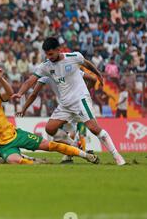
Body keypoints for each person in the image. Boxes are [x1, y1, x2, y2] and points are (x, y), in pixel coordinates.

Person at [0, 66, 99, 165]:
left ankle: (86, 155)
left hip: (16, 135)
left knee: (50, 146)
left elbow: (10, 93)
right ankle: (34, 162)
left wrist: (0, 79)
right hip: (3, 146)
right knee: (14, 161)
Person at [13, 37, 126, 166]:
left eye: (51, 54)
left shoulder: (73, 57)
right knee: (50, 128)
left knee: (94, 129)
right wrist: (20, 93)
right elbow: (30, 81)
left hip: (79, 101)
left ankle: (117, 156)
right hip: (65, 104)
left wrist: (98, 74)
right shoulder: (46, 66)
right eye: (46, 54)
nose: (49, 57)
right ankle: (74, 146)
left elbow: (87, 64)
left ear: (58, 50)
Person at [16, 69, 97, 164]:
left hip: (72, 106)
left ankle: (75, 153)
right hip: (71, 106)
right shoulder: (59, 70)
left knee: (65, 133)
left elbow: (34, 93)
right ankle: (74, 152)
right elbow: (91, 79)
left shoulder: (64, 69)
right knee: (65, 134)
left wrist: (24, 108)